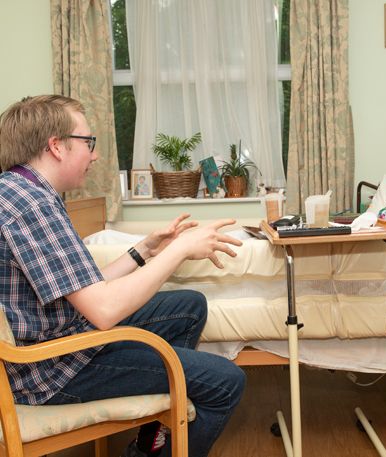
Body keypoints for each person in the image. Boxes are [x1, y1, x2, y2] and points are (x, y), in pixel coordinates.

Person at [0, 95, 246, 457]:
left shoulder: (23, 191)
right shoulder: (31, 204)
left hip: (62, 338)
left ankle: (150, 440)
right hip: (51, 371)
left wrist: (145, 250)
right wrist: (180, 250)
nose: (95, 155)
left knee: (188, 306)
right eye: (89, 142)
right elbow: (103, 310)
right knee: (226, 382)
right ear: (56, 146)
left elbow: (80, 285)